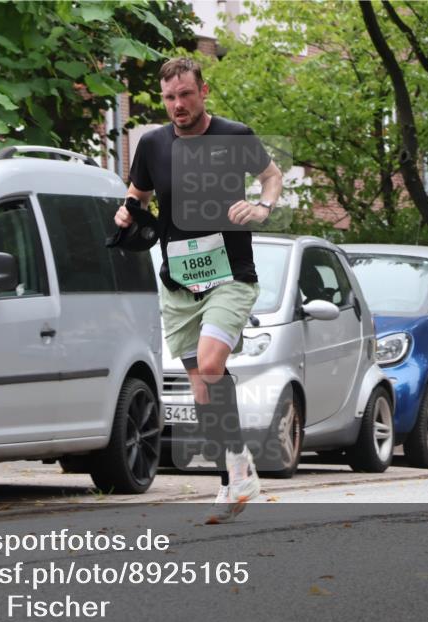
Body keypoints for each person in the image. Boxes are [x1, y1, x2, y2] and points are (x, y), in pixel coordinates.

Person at [114, 57, 283, 524]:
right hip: (178, 279)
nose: (177, 105)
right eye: (169, 98)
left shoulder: (234, 135)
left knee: (210, 367)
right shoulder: (152, 144)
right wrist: (125, 212)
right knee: (202, 388)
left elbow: (272, 176)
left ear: (203, 91)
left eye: (185, 94)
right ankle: (234, 479)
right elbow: (138, 195)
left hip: (230, 274)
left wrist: (263, 207)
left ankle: (238, 472)